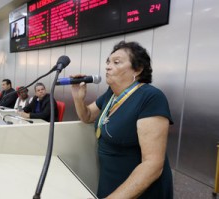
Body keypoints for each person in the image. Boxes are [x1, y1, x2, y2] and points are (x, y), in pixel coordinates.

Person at [70, 41, 173, 199]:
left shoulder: (150, 97)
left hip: (138, 189)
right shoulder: (111, 94)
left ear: (137, 69)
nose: (108, 67)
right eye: (108, 62)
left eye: (116, 62)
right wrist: (78, 98)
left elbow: (153, 164)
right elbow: (88, 116)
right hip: (111, 180)